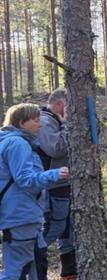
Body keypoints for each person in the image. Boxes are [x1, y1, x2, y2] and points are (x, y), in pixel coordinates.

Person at [0, 103, 69, 280]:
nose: (40, 125)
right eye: (36, 121)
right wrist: (55, 174)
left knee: (37, 261)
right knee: (18, 269)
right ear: (22, 123)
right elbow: (26, 180)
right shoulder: (17, 144)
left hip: (24, 215)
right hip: (20, 215)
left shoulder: (11, 142)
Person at [37, 89, 78, 279]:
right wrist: (67, 125)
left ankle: (69, 272)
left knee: (68, 229)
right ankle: (29, 258)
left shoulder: (53, 121)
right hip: (53, 185)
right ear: (61, 104)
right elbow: (56, 149)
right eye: (70, 105)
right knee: (56, 226)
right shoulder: (46, 122)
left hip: (63, 182)